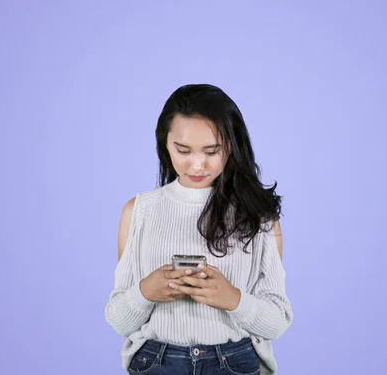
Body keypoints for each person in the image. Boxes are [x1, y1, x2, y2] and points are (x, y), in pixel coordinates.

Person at [105, 84, 293, 374]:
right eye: (183, 150)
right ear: (165, 145)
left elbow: (278, 321)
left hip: (233, 362)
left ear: (231, 146)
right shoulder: (138, 211)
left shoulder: (259, 216)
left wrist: (233, 299)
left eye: (211, 151)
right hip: (156, 362)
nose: (196, 164)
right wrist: (145, 292)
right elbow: (119, 321)